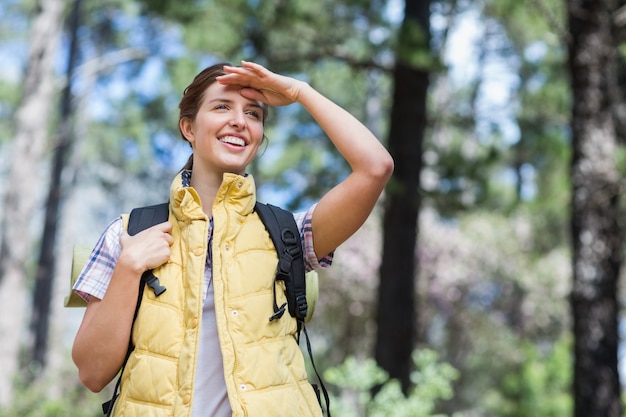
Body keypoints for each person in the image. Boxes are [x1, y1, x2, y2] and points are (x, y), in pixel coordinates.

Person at [71, 60, 394, 417]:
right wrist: (129, 268)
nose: (240, 121)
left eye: (254, 114)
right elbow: (92, 373)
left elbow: (375, 167)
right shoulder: (128, 234)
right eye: (222, 107)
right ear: (188, 128)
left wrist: (300, 92)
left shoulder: (287, 234)